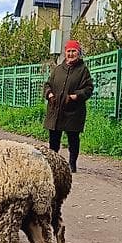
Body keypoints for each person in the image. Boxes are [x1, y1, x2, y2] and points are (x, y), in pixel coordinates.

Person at [43, 39, 94, 173]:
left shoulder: (83, 70)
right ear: (65, 53)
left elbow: (88, 88)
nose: (71, 54)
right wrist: (49, 94)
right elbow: (48, 84)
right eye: (69, 51)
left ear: (78, 53)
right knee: (54, 138)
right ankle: (53, 163)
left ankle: (72, 163)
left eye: (74, 51)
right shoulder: (58, 69)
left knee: (73, 138)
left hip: (73, 111)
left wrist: (76, 96)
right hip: (56, 109)